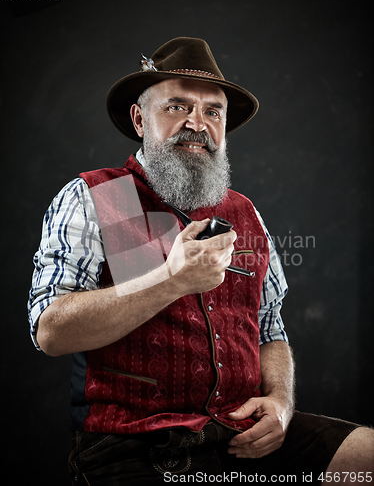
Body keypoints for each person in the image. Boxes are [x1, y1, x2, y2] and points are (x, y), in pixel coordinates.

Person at [28, 37, 373, 485]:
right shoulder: (102, 198)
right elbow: (51, 331)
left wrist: (281, 403)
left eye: (213, 111)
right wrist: (169, 279)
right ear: (139, 119)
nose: (197, 123)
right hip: (141, 447)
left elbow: (270, 328)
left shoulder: (244, 212)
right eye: (176, 107)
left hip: (243, 437)